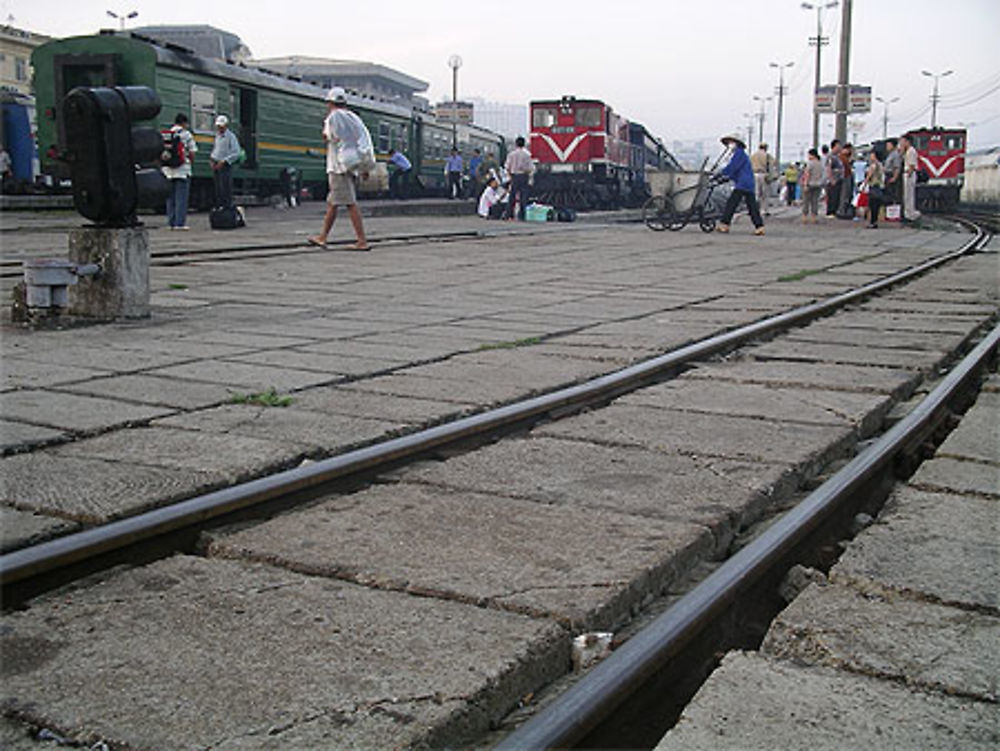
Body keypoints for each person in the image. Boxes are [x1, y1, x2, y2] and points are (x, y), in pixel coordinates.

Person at [307, 86, 371, 250]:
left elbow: (329, 137)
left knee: (350, 203)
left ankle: (361, 241)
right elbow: (361, 141)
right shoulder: (354, 117)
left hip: (338, 167)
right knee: (332, 203)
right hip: (350, 164)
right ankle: (323, 237)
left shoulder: (334, 117)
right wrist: (364, 166)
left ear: (330, 103)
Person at [715, 133, 765, 236]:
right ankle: (759, 226)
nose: (729, 144)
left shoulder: (739, 153)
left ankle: (724, 224)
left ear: (736, 143)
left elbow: (733, 167)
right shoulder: (739, 154)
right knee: (752, 206)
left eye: (731, 142)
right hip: (747, 183)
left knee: (732, 204)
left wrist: (721, 174)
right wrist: (725, 176)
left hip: (743, 183)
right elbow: (734, 170)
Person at [162, 113, 197, 230]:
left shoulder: (167, 135)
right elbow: (192, 152)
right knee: (181, 198)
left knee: (170, 198)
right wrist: (189, 162)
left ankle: (170, 223)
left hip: (167, 171)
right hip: (182, 171)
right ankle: (179, 223)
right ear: (184, 123)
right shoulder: (186, 135)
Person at [210, 115, 240, 209]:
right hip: (216, 164)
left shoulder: (231, 137)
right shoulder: (217, 136)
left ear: (226, 126)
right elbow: (216, 149)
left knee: (225, 189)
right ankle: (219, 207)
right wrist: (211, 159)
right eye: (218, 126)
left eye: (221, 126)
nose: (219, 128)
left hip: (225, 165)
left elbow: (236, 152)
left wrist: (225, 161)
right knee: (217, 189)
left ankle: (226, 208)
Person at [504, 136, 533, 220]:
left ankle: (508, 214)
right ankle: (522, 216)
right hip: (524, 176)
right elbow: (530, 168)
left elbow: (507, 167)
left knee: (512, 196)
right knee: (523, 197)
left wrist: (510, 176)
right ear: (524, 144)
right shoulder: (527, 155)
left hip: (514, 176)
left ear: (516, 144)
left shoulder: (511, 154)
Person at [900, 134, 921, 222]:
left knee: (909, 195)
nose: (901, 143)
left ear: (907, 141)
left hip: (909, 174)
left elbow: (912, 165)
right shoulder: (907, 151)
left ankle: (910, 214)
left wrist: (908, 174)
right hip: (908, 173)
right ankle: (908, 213)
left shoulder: (911, 151)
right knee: (907, 195)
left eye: (902, 141)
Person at [800, 148, 824, 224]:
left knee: (806, 201)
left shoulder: (810, 163)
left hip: (810, 184)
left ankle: (805, 217)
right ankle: (814, 217)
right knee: (815, 202)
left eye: (809, 155)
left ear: (812, 155)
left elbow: (807, 174)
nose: (808, 156)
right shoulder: (820, 164)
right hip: (818, 184)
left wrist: (805, 184)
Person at [750, 142, 774, 215]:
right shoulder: (767, 155)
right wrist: (771, 177)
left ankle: (754, 209)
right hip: (764, 175)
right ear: (766, 148)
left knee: (756, 193)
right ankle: (764, 210)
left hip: (754, 174)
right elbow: (771, 167)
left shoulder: (753, 155)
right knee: (764, 194)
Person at [864, 150, 886, 229]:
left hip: (873, 186)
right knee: (876, 206)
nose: (870, 156)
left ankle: (871, 222)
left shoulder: (873, 165)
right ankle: (875, 222)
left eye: (872, 155)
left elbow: (869, 176)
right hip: (879, 187)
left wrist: (864, 185)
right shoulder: (880, 164)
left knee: (872, 205)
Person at [824, 139, 844, 216]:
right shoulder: (830, 156)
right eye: (838, 146)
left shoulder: (838, 156)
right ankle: (830, 212)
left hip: (839, 179)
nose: (840, 148)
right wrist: (831, 179)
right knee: (832, 196)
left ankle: (835, 211)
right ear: (834, 146)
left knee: (837, 196)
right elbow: (828, 168)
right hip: (833, 180)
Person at [883, 138, 902, 210]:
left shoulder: (895, 155)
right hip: (887, 175)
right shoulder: (890, 154)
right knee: (887, 193)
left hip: (891, 175)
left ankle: (892, 211)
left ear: (893, 146)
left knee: (891, 194)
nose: (887, 147)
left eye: (888, 145)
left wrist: (894, 177)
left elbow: (896, 167)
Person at [837, 143, 855, 219]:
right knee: (844, 194)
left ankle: (843, 210)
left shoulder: (845, 157)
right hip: (845, 177)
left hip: (847, 176)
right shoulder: (841, 157)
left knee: (847, 194)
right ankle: (842, 211)